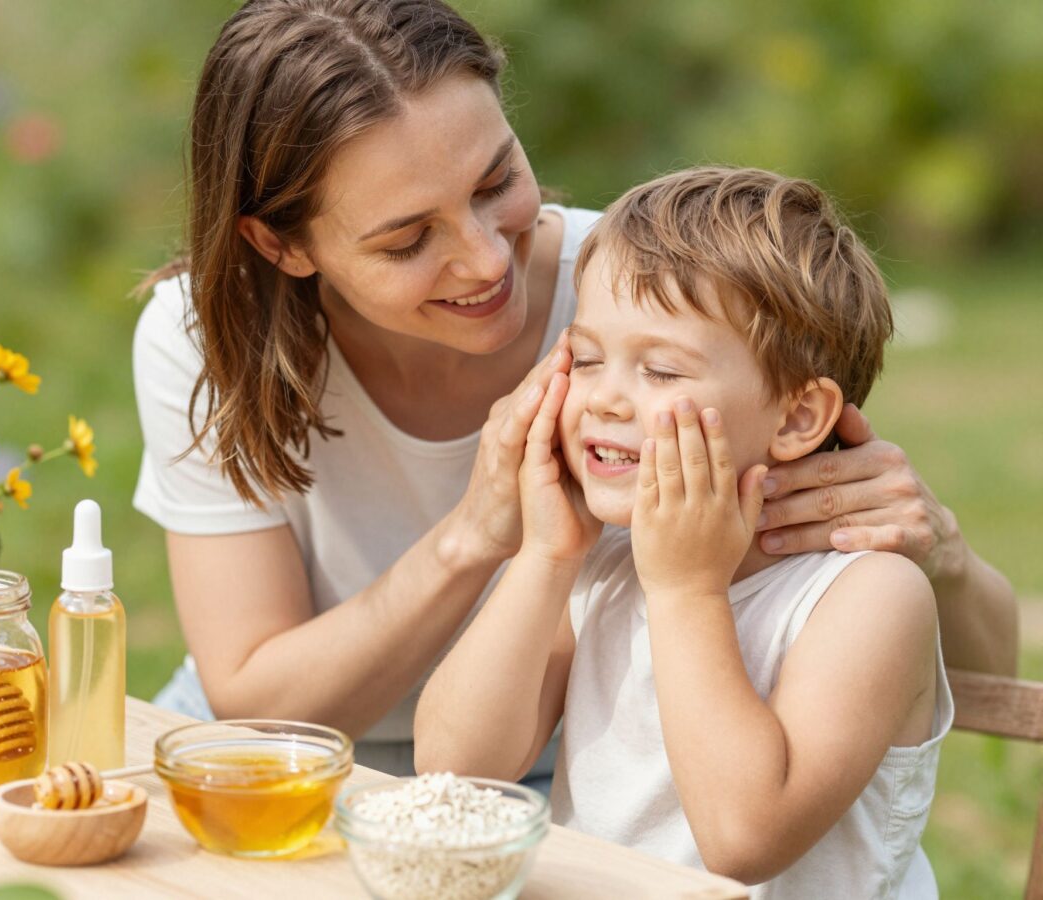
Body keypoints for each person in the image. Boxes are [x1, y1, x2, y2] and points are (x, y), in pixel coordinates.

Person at [132, 0, 1017, 777]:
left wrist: (939, 556)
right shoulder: (204, 338)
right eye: (407, 242)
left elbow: (954, 666)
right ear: (280, 245)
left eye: (496, 183)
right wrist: (476, 536)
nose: (485, 261)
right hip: (284, 746)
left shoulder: (645, 301)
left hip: (554, 758)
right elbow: (254, 707)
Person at [415, 167, 954, 895]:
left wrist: (687, 590)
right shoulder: (605, 559)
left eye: (662, 371)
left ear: (797, 418)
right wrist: (546, 556)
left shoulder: (869, 596)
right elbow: (454, 768)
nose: (604, 397)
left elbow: (743, 838)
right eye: (589, 358)